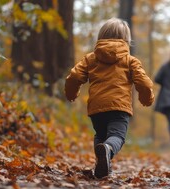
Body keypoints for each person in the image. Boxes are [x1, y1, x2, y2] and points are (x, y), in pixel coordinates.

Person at [65, 18, 154, 178]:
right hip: (119, 107)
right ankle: (107, 150)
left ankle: (103, 164)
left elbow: (75, 76)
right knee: (117, 136)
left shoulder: (90, 58)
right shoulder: (130, 60)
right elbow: (144, 83)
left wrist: (72, 93)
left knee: (100, 135)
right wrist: (147, 98)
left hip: (96, 108)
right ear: (126, 39)